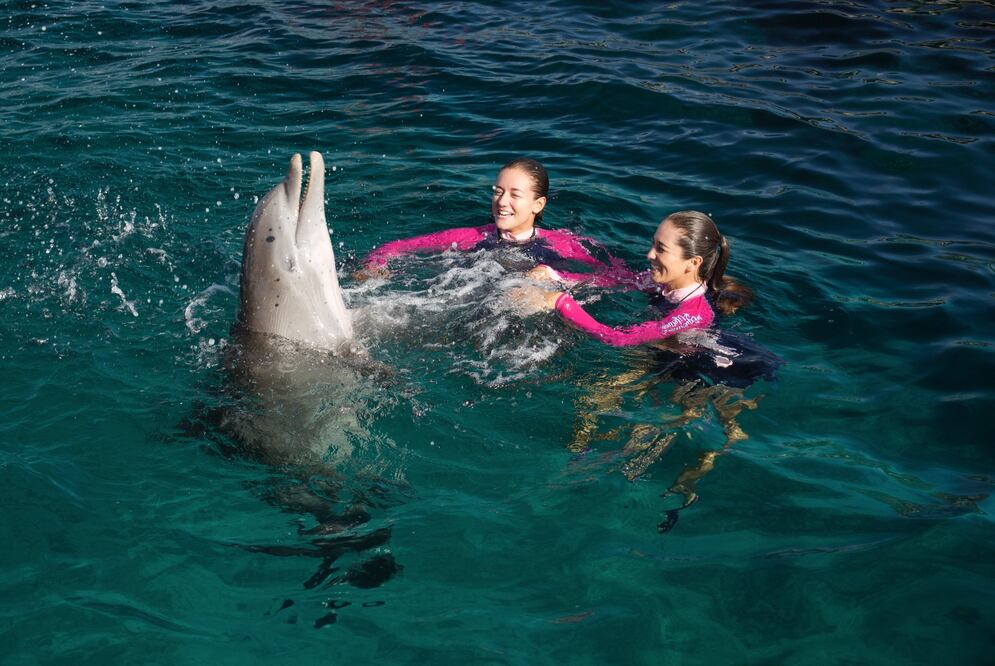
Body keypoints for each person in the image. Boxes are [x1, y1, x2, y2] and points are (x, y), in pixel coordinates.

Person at [523, 210, 775, 533]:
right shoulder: (662, 282)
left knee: (663, 435)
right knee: (592, 395)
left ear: (693, 263)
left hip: (704, 369)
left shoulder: (691, 314)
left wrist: (560, 303)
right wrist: (557, 276)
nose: (649, 254)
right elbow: (616, 280)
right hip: (664, 358)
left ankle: (681, 494)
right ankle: (577, 462)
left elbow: (618, 339)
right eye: (653, 244)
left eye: (660, 249)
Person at [355, 158, 633, 284]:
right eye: (498, 192)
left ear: (538, 204)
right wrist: (375, 263)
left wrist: (558, 276)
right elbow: (400, 246)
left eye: (514, 194)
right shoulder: (472, 236)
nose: (501, 201)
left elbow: (617, 279)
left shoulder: (564, 244)